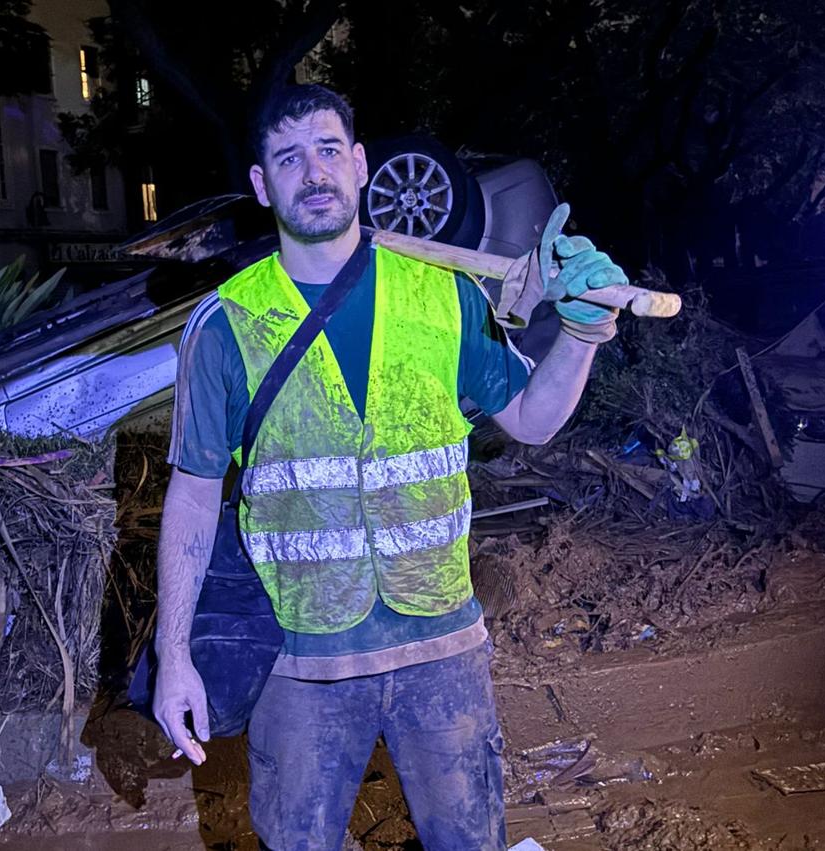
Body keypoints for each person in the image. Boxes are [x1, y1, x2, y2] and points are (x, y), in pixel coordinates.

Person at [151, 84, 627, 850]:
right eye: (289, 157)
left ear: (362, 164)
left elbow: (533, 420)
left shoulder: (445, 295)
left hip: (445, 656)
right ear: (261, 184)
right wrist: (174, 655)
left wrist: (581, 330)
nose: (313, 171)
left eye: (329, 149)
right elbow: (193, 498)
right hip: (301, 668)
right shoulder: (225, 324)